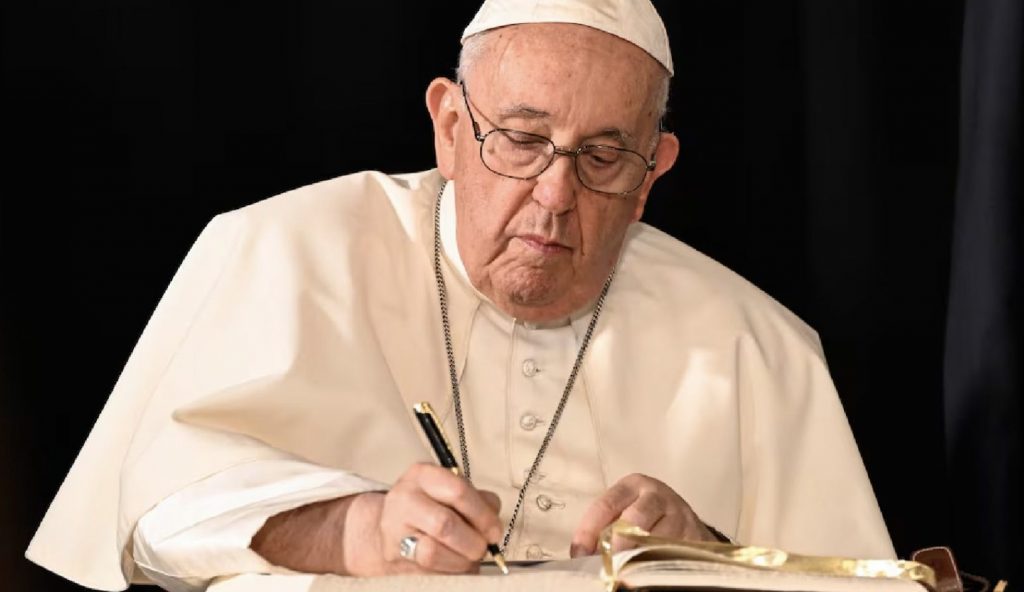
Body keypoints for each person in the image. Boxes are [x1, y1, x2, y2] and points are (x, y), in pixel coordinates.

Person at [27, 1, 896, 590]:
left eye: (602, 158)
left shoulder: (755, 342)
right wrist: (356, 529)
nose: (555, 195)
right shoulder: (284, 247)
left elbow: (847, 578)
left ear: (651, 174)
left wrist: (706, 560)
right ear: (450, 126)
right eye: (520, 139)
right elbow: (148, 517)